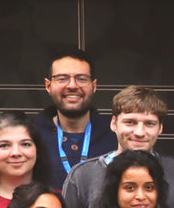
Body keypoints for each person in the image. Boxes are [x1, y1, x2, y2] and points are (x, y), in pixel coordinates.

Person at [33, 49, 114, 189]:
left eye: (81, 79)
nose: (72, 85)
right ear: (48, 86)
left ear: (94, 86)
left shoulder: (115, 135)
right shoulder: (31, 135)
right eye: (62, 79)